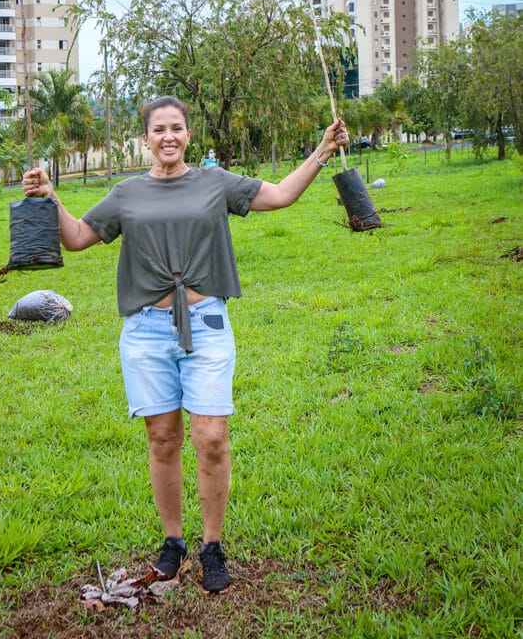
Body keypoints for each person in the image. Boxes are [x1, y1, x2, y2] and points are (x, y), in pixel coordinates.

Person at [22, 96, 349, 594]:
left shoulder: (215, 183)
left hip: (206, 321)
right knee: (162, 439)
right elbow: (78, 237)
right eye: (159, 129)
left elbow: (281, 194)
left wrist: (323, 150)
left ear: (188, 135)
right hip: (146, 332)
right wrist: (50, 198)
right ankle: (173, 542)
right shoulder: (127, 192)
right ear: (146, 139)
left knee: (211, 437)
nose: (168, 136)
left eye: (177, 127)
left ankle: (212, 546)